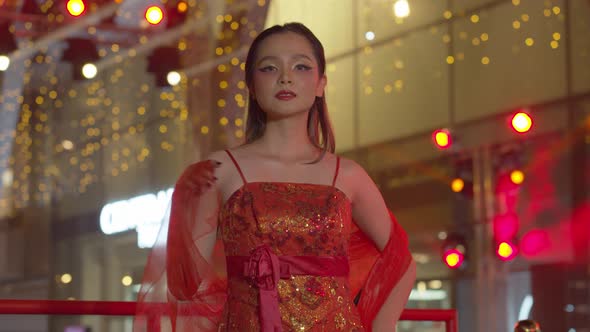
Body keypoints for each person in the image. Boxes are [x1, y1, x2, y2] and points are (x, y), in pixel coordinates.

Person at [135, 22, 416, 331]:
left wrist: (383, 327)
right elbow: (186, 286)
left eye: (301, 66)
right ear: (252, 86)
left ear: (321, 83)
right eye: (269, 68)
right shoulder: (221, 169)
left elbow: (401, 261)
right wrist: (186, 201)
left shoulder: (348, 174)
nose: (286, 77)